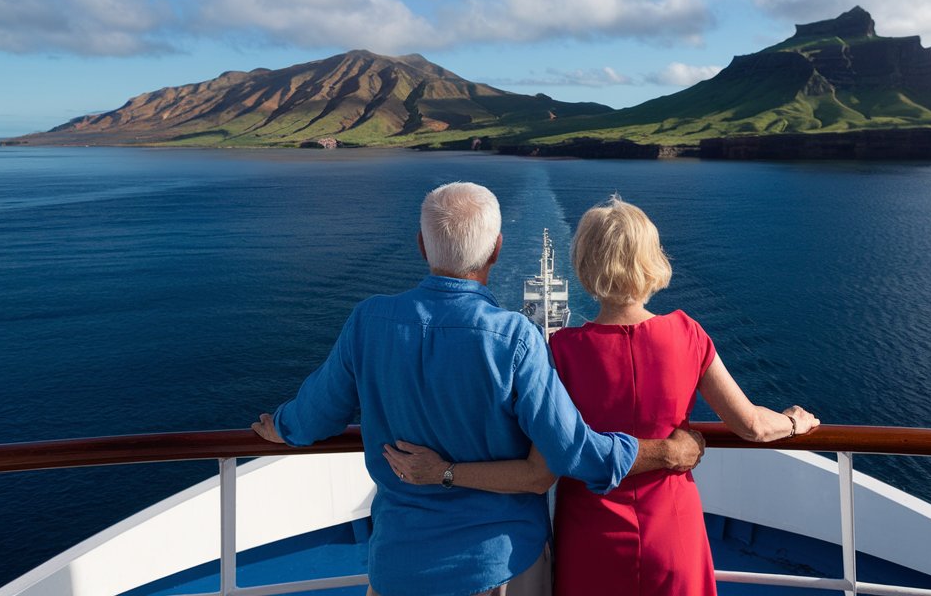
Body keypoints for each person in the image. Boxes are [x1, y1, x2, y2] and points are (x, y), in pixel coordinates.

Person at [252, 183, 704, 596]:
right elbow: (572, 453)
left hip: (401, 568)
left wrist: (282, 426)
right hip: (502, 566)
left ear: (422, 245)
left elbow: (313, 419)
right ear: (497, 251)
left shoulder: (368, 322)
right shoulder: (515, 339)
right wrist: (667, 453)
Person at [385, 196, 819, 596]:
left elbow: (536, 458)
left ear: (583, 264)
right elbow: (753, 426)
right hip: (673, 533)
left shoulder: (562, 350)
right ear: (652, 260)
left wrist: (444, 466)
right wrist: (797, 420)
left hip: (589, 536)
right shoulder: (688, 334)